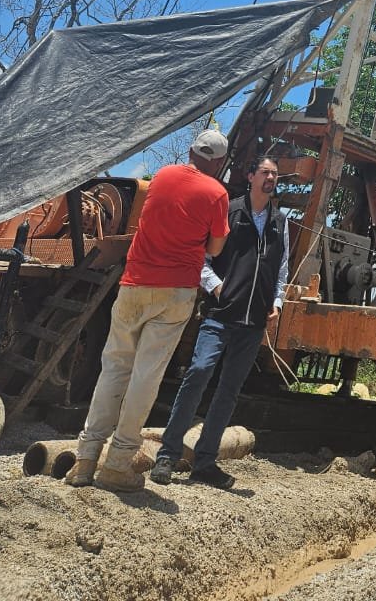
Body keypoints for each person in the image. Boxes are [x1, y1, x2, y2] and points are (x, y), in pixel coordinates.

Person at [65, 129, 230, 492]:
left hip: (133, 283)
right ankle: (118, 464)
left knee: (114, 368)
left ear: (190, 152)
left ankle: (84, 460)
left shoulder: (163, 177)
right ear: (218, 163)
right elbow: (216, 248)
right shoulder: (217, 193)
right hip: (174, 291)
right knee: (146, 376)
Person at [149, 154, 289, 490]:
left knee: (228, 391)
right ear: (251, 176)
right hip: (221, 315)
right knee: (198, 374)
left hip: (253, 321)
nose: (271, 178)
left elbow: (282, 266)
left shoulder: (279, 222)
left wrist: (278, 301)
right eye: (265, 172)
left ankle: (205, 463)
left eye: (275, 174)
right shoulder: (229, 211)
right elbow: (203, 256)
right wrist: (216, 286)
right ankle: (167, 455)